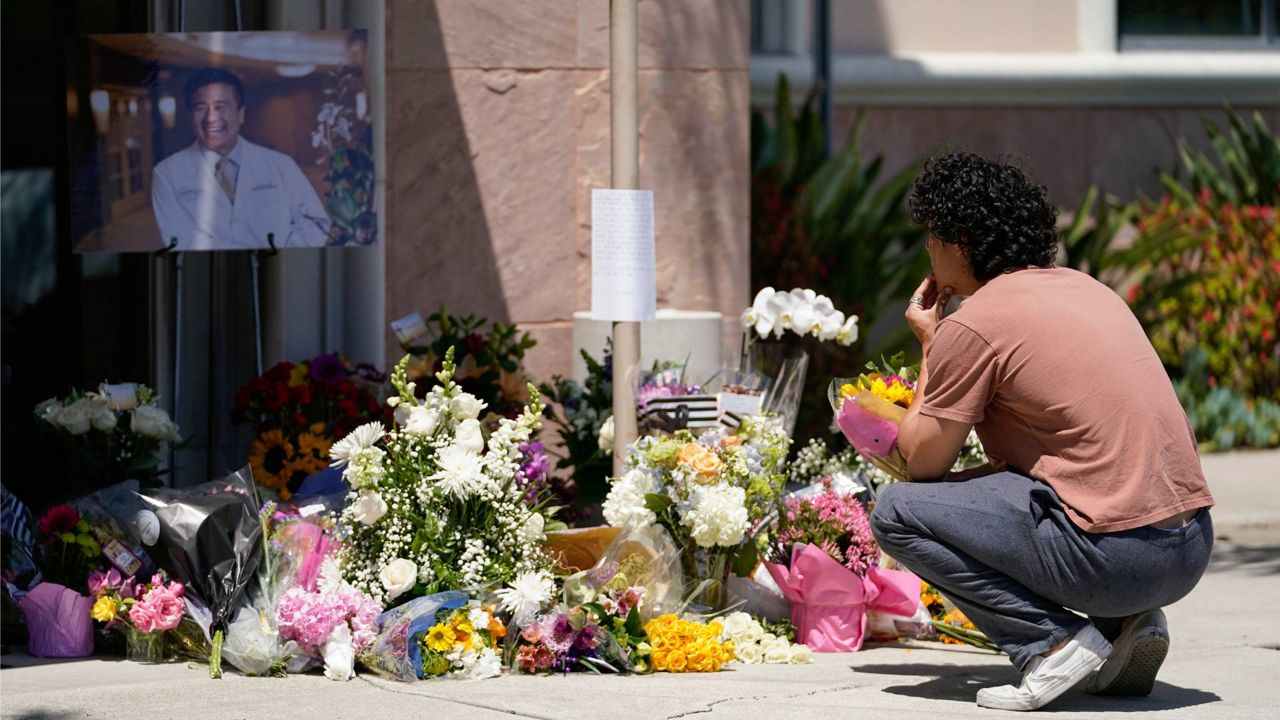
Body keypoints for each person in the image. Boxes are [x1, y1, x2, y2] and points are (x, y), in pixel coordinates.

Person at [870, 153, 1214, 712]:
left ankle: (1049, 646)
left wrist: (932, 344)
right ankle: (1126, 624)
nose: (927, 251)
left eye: (931, 237)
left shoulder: (974, 324)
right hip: (1190, 546)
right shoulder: (1087, 287)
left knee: (897, 512)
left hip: (1120, 560)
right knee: (1047, 486)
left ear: (958, 242)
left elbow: (923, 464)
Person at [151, 68, 331, 250]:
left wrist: (278, 259)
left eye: (221, 106)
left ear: (240, 114)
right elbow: (180, 242)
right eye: (200, 108)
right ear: (191, 117)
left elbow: (317, 224)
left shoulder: (281, 165)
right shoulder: (167, 173)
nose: (210, 118)